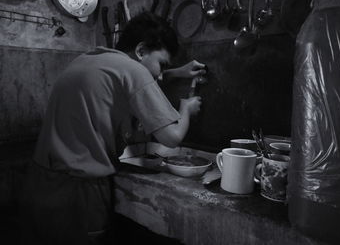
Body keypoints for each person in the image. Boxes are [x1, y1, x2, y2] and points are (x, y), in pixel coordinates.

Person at [18, 12, 205, 245]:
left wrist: (177, 72)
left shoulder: (90, 59)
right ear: (140, 51)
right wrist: (185, 109)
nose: (159, 74)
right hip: (80, 192)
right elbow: (172, 137)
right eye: (162, 64)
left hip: (41, 181)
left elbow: (133, 81)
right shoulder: (134, 71)